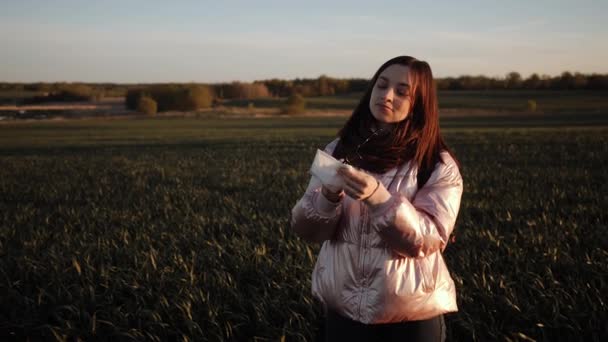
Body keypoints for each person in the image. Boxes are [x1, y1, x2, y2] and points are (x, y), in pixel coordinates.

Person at [290, 56, 463, 342]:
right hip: (343, 312)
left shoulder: (436, 164)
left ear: (419, 103)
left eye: (402, 91)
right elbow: (306, 229)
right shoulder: (339, 148)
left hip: (410, 318)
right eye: (381, 86)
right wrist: (329, 197)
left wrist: (378, 198)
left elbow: (429, 240)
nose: (387, 95)